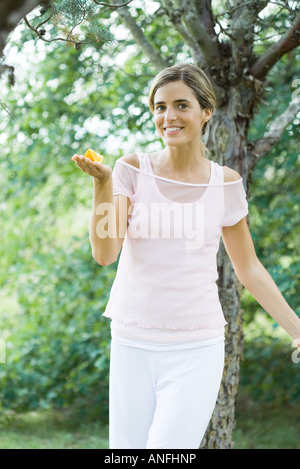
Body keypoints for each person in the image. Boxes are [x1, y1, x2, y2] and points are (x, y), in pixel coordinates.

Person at [72, 63, 300, 449]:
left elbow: (248, 267)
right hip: (132, 339)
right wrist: (103, 183)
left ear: (205, 111)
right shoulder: (132, 169)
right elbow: (105, 252)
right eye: (160, 107)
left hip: (197, 346)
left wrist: (297, 330)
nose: (168, 117)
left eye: (181, 105)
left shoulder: (224, 183)